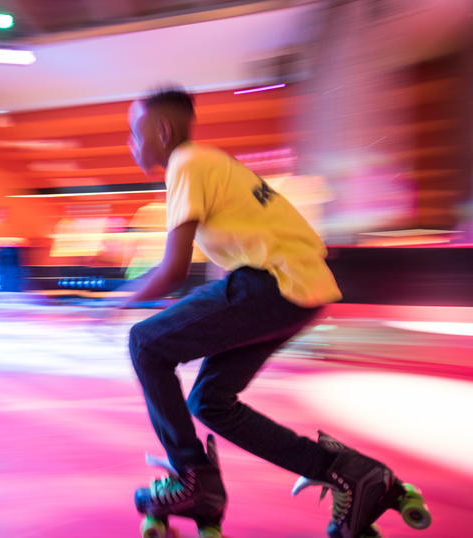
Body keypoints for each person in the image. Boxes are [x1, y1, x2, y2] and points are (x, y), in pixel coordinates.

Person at [112, 88, 410, 538]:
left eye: (134, 133)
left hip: (272, 283)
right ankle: (350, 473)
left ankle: (194, 480)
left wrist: (115, 299)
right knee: (210, 401)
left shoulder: (186, 164)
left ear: (163, 130)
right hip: (300, 289)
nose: (130, 144)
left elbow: (173, 269)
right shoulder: (211, 163)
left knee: (145, 344)